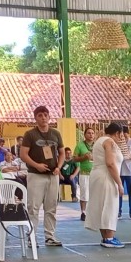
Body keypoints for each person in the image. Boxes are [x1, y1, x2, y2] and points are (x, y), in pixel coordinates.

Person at [19, 105, 64, 247]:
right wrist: (36, 165)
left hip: (53, 175)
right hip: (35, 175)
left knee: (51, 207)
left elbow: (62, 152)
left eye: (45, 115)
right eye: (40, 115)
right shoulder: (30, 134)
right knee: (33, 207)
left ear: (49, 117)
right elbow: (23, 154)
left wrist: (58, 167)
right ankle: (31, 237)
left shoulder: (56, 133)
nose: (43, 118)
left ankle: (50, 236)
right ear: (35, 118)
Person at [86, 121, 127, 248]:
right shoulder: (109, 142)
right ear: (117, 133)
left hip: (97, 175)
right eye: (121, 135)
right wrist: (119, 183)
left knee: (101, 206)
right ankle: (109, 237)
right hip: (106, 177)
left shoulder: (99, 140)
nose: (121, 138)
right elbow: (110, 163)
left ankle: (105, 237)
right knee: (110, 205)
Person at [73, 126, 94, 221]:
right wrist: (84, 158)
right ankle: (83, 212)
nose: (91, 135)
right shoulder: (80, 145)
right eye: (89, 133)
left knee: (95, 194)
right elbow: (74, 159)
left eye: (92, 133)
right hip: (84, 173)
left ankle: (93, 213)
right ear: (84, 135)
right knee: (84, 194)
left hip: (95, 173)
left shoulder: (97, 145)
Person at [118, 128, 131, 219]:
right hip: (119, 170)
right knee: (119, 192)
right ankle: (118, 212)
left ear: (128, 133)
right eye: (122, 134)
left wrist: (130, 156)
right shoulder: (117, 142)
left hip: (129, 171)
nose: (123, 136)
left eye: (125, 134)